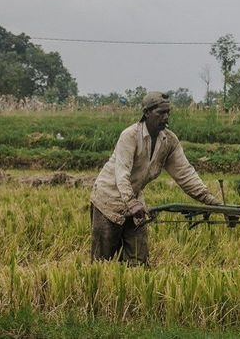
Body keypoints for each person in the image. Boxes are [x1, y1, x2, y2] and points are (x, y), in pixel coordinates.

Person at [90, 91, 221, 265]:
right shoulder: (130, 136)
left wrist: (212, 201)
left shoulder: (169, 141)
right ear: (146, 113)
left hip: (135, 201)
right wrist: (131, 202)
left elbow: (185, 174)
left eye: (168, 113)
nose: (166, 117)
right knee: (102, 262)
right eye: (161, 113)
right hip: (108, 200)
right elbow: (122, 174)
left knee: (139, 261)